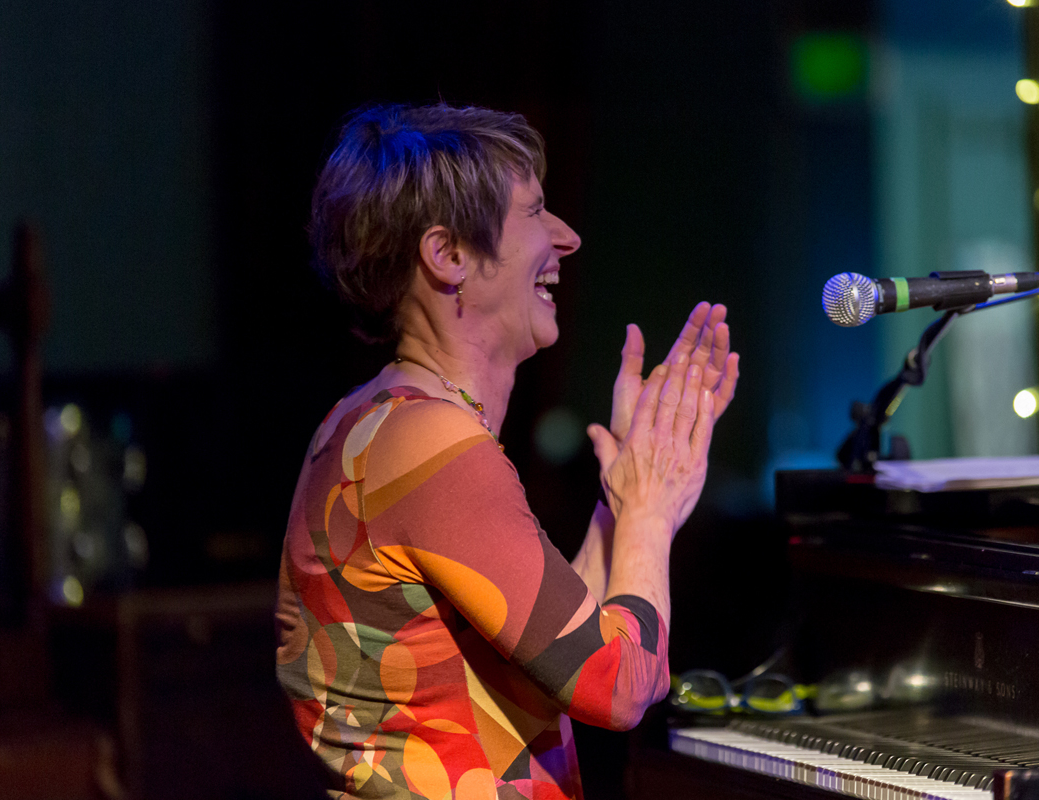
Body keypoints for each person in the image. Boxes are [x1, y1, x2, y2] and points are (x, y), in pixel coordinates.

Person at [274, 104, 740, 800]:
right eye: (534, 212)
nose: (569, 237)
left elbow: (546, 659)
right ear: (449, 255)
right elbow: (617, 686)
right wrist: (648, 511)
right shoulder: (431, 447)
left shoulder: (369, 422)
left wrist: (625, 501)